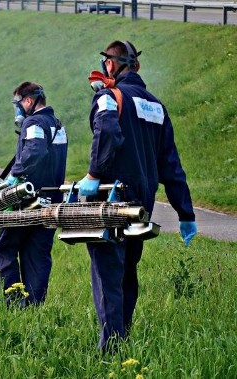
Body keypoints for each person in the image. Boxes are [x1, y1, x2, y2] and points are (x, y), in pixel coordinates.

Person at [77, 40, 198, 353]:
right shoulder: (156, 106)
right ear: (138, 66)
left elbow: (108, 133)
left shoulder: (109, 96)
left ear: (111, 65)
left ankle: (111, 348)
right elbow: (170, 163)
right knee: (127, 272)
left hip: (110, 199)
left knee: (107, 274)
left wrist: (92, 174)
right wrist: (185, 212)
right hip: (141, 203)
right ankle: (122, 337)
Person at [0, 82, 68, 309]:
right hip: (51, 201)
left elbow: (35, 150)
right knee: (36, 254)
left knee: (3, 249)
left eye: (18, 104)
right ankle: (34, 308)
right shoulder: (57, 124)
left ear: (27, 101)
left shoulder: (35, 122)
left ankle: (14, 305)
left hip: (28, 201)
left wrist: (15, 176)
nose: (17, 110)